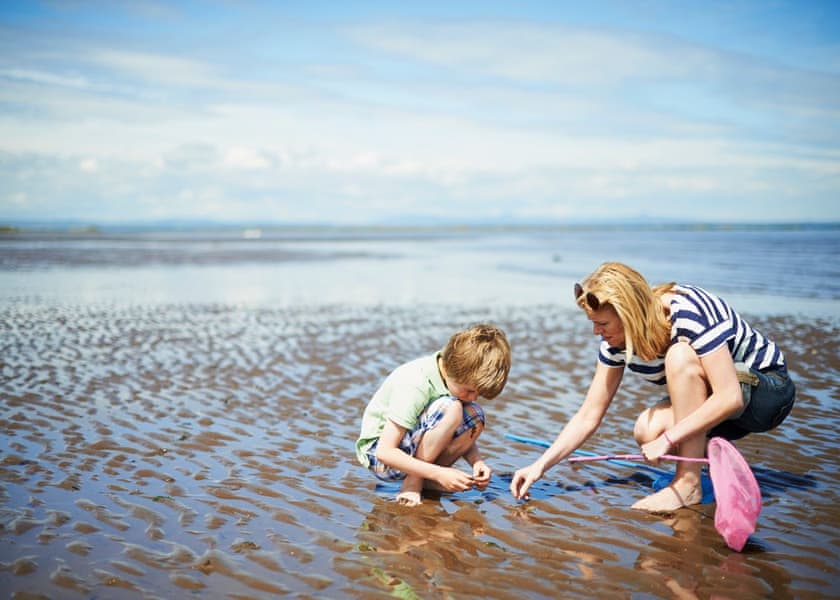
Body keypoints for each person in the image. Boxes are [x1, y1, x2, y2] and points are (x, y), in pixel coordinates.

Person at [510, 262, 795, 512]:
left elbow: (730, 396)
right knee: (648, 431)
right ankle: (711, 466)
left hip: (767, 395)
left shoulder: (686, 312)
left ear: (629, 313)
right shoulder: (615, 344)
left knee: (679, 356)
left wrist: (670, 439)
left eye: (603, 323)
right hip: (725, 408)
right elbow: (588, 416)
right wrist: (539, 467)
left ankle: (688, 484)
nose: (596, 332)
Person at [355, 323, 511, 506]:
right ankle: (414, 482)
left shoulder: (451, 374)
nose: (474, 397)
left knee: (474, 414)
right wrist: (439, 472)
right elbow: (385, 452)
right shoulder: (416, 383)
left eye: (479, 393)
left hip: (408, 448)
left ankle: (426, 480)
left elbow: (456, 425)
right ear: (454, 371)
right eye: (469, 390)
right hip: (382, 458)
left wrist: (477, 462)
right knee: (451, 409)